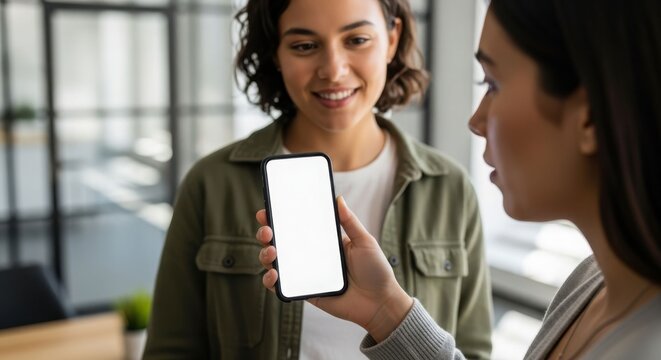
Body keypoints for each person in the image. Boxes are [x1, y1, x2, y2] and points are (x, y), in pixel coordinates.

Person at [256, 0, 661, 359]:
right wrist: (386, 312)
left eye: (493, 83)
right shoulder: (591, 282)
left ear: (589, 115)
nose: (475, 120)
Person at [144, 0, 493, 358]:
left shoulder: (450, 188)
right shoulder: (211, 184)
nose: (333, 70)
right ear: (276, 53)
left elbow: (473, 352)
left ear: (392, 38)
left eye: (356, 40)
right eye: (304, 46)